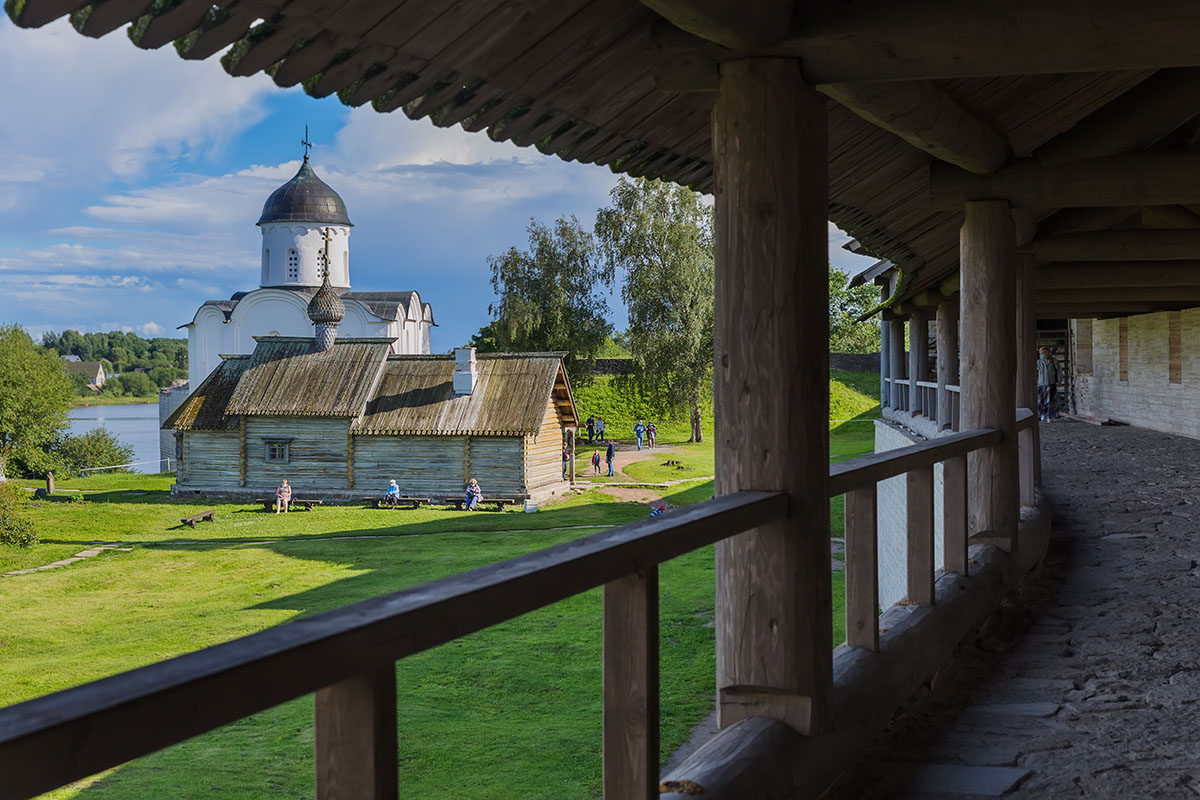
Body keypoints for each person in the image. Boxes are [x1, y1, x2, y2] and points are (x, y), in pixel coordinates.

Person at [1037, 347, 1058, 422]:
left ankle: (1049, 416)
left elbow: (1058, 371)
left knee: (1050, 401)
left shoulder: (1053, 362)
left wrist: (1058, 381)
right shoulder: (1038, 362)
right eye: (1041, 354)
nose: (1042, 355)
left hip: (1051, 383)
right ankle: (1041, 414)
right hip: (1041, 384)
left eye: (1043, 353)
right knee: (1040, 400)